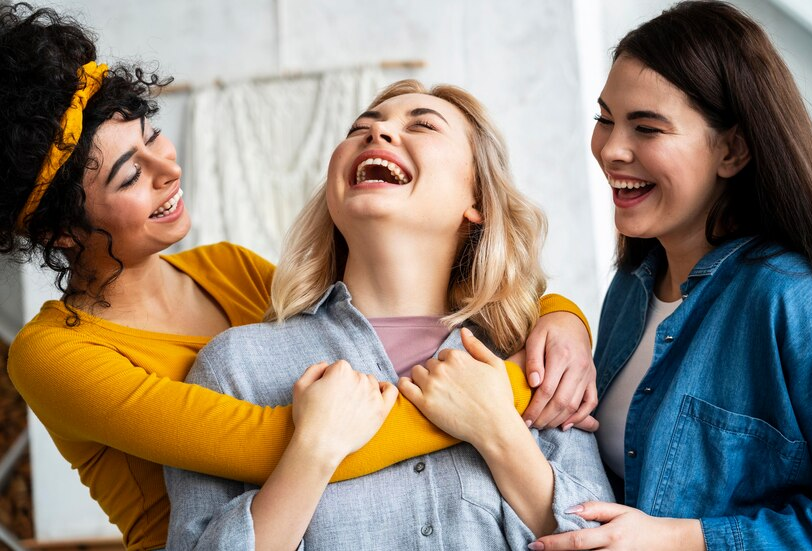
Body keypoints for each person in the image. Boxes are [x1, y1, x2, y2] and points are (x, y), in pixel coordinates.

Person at [0, 4, 597, 550]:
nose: (168, 169)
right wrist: (510, 398)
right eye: (129, 176)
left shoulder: (228, 269)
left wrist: (561, 316)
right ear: (60, 232)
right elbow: (265, 443)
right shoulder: (55, 355)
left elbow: (362, 290)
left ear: (478, 200)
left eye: (153, 135)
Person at [164, 79, 613, 550]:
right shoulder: (239, 365)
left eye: (422, 125)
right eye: (360, 128)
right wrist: (312, 452)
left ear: (476, 200)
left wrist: (500, 433)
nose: (376, 135)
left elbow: (609, 542)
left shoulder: (536, 358)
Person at [531, 1, 812, 550]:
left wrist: (688, 539)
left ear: (732, 149)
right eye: (605, 119)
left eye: (647, 127)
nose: (611, 149)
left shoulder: (790, 297)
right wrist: (562, 315)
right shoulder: (633, 284)